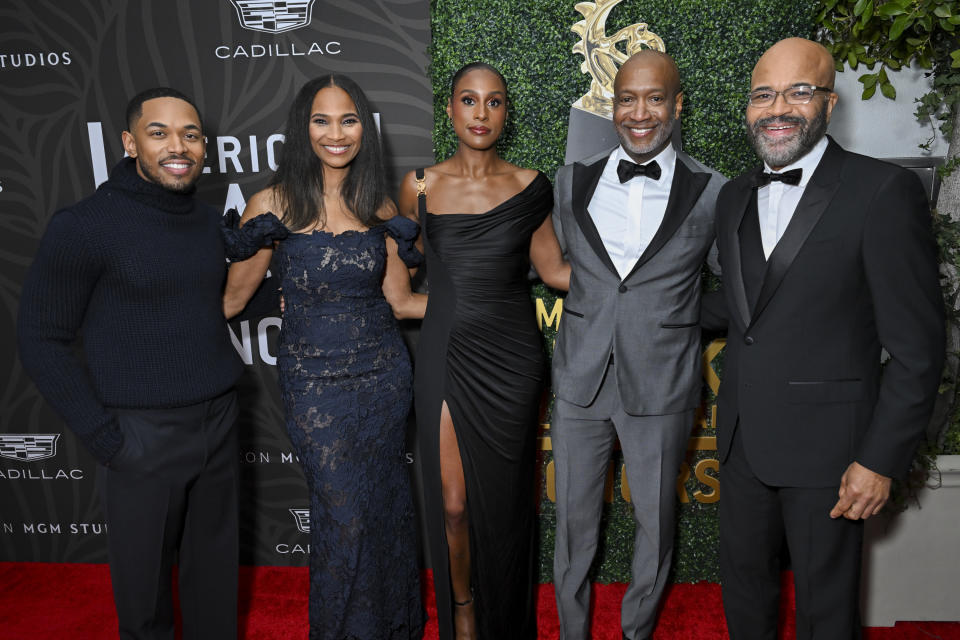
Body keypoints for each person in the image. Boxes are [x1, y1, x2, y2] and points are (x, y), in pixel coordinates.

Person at [702, 37, 945, 639]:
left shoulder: (882, 192)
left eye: (798, 91)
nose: (777, 107)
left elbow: (919, 350)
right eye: (764, 94)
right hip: (741, 443)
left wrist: (879, 459)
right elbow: (745, 309)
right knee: (746, 604)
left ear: (829, 104)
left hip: (834, 455)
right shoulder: (734, 194)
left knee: (827, 617)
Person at [17, 87, 243, 639]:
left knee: (215, 589)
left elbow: (221, 302)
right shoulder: (86, 225)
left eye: (190, 135)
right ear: (129, 142)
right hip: (141, 434)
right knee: (144, 605)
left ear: (204, 147)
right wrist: (105, 436)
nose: (179, 147)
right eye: (159, 132)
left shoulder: (212, 222)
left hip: (219, 419)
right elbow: (40, 336)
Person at [221, 74, 425, 640]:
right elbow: (233, 297)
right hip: (314, 385)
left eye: (348, 119)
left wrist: (483, 303)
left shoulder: (378, 206)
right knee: (344, 515)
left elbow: (402, 301)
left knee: (383, 508)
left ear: (365, 128)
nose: (336, 133)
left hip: (384, 379)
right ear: (302, 127)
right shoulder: (271, 205)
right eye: (321, 120)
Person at [550, 50, 727, 640]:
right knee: (573, 526)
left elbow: (744, 285)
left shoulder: (711, 191)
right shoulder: (571, 179)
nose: (640, 112)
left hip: (662, 381)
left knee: (655, 523)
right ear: (613, 104)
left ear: (677, 106)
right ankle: (572, 632)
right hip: (580, 379)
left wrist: (681, 319)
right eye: (628, 98)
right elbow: (554, 264)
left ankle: (636, 633)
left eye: (655, 98)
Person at [397, 62, 569, 640]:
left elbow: (554, 271)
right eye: (469, 101)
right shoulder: (419, 184)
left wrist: (642, 266)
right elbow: (418, 271)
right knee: (452, 505)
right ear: (450, 110)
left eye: (494, 102)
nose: (481, 113)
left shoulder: (530, 185)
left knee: (505, 504)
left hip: (513, 358)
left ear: (505, 113)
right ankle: (464, 608)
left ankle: (505, 619)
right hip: (446, 354)